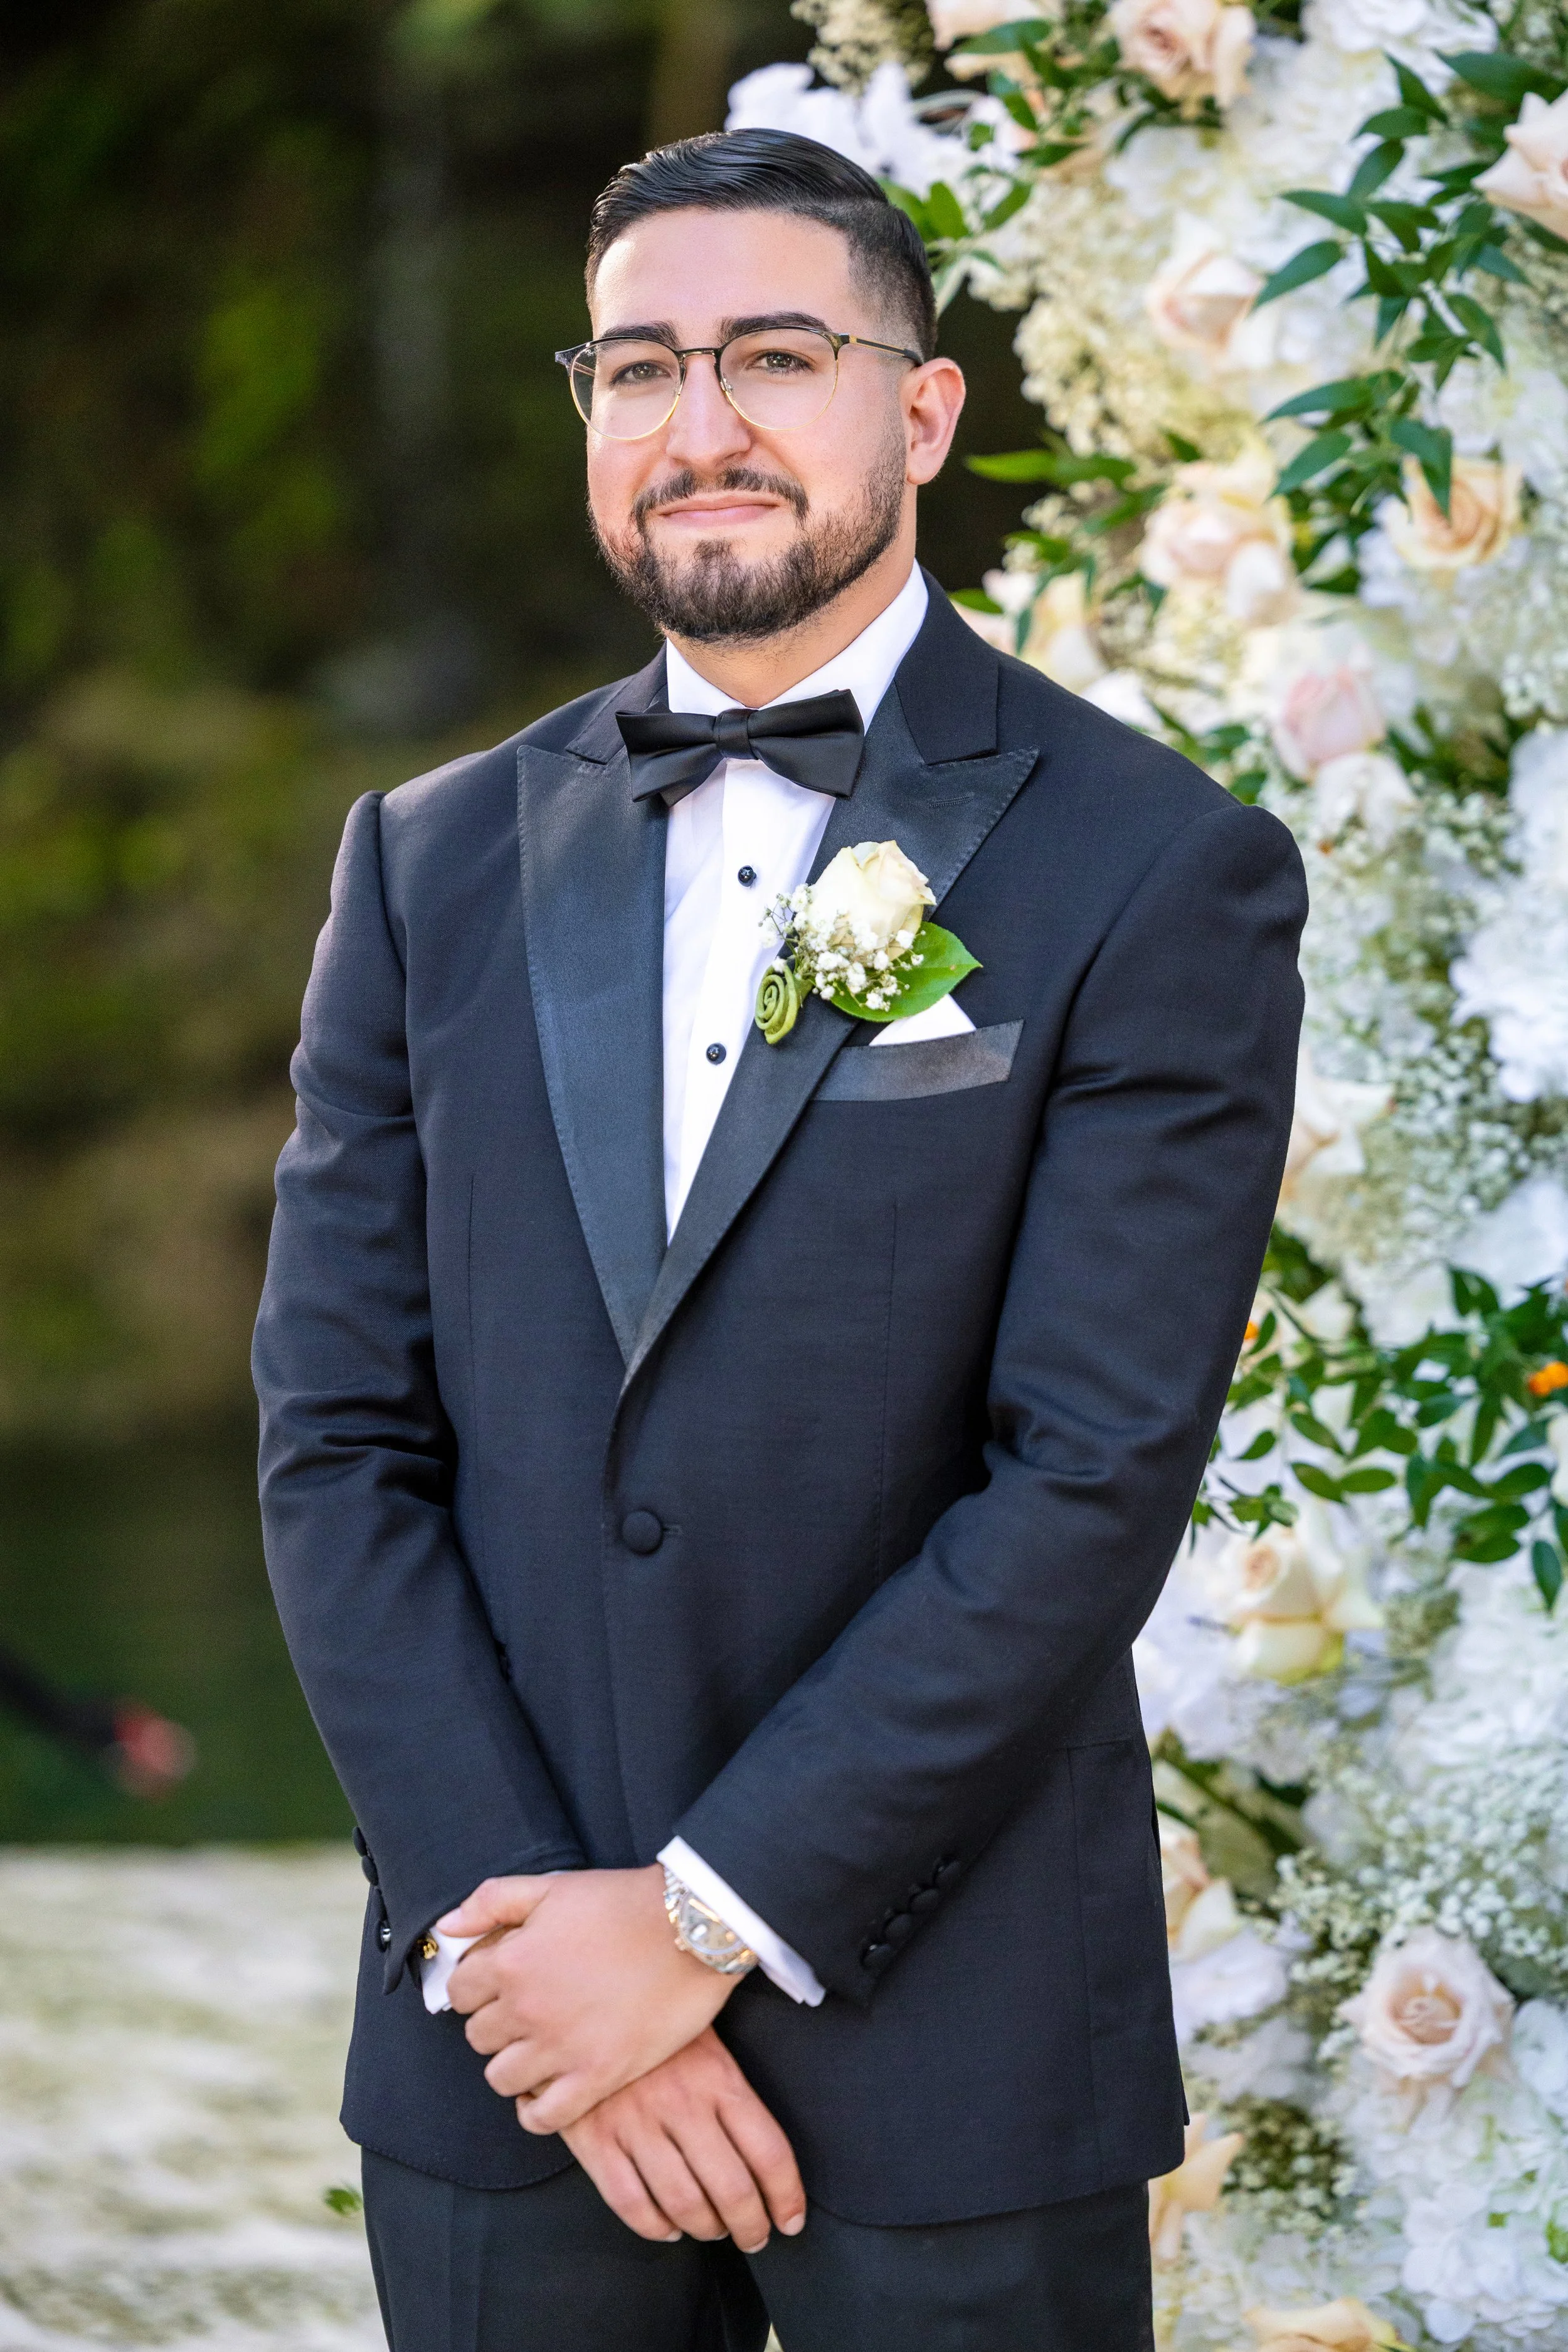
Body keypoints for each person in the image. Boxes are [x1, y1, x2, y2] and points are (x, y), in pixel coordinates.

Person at [253, 127, 1305, 2352]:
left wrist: (706, 1921)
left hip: (954, 2048)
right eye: (637, 367)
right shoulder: (423, 860)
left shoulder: (1156, 865)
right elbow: (337, 1445)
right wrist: (528, 1953)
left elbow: (1088, 1469)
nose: (697, 424)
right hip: (503, 2046)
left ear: (917, 411)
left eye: (770, 355)